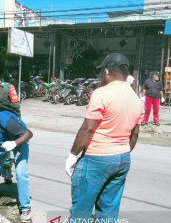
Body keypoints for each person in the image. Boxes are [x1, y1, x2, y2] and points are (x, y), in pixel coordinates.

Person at [65, 53, 144, 221]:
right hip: (122, 158)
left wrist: (72, 155)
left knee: (81, 211)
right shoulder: (136, 99)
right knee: (108, 211)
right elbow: (134, 135)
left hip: (96, 159)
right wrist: (119, 152)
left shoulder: (102, 93)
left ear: (106, 71)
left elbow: (87, 129)